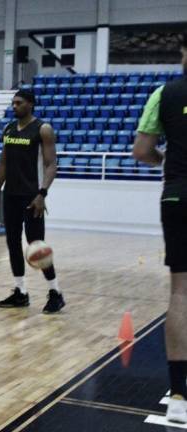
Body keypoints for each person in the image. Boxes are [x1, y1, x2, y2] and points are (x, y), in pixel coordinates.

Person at [133, 33, 187, 424]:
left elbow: (141, 151)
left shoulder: (164, 94)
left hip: (177, 195)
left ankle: (179, 398)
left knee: (181, 293)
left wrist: (163, 159)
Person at [0, 90, 65, 314]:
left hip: (32, 196)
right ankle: (20, 292)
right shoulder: (9, 128)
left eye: (19, 103)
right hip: (11, 195)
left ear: (30, 104)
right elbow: (3, 163)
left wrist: (42, 194)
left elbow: (51, 164)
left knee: (37, 245)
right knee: (12, 243)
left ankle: (55, 293)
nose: (14, 106)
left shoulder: (43, 129)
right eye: (13, 103)